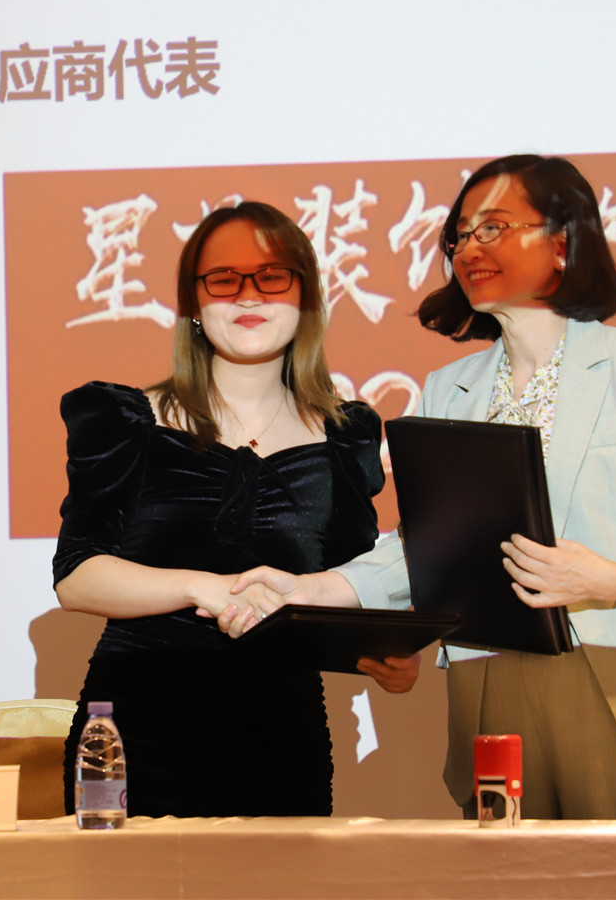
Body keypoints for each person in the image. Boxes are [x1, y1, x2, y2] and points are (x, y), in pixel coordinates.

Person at [220, 155, 616, 819]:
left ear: (562, 243)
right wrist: (310, 590)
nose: (470, 249)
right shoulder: (448, 388)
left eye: (494, 228)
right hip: (490, 679)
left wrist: (614, 577)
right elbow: (426, 548)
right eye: (461, 235)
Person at [52, 200, 386, 818]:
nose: (248, 295)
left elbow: (349, 585)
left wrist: (384, 654)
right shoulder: (127, 420)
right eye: (224, 279)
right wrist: (202, 586)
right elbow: (76, 576)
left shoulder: (345, 438)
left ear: (306, 297)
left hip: (282, 738)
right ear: (194, 304)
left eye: (272, 276)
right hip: (135, 735)